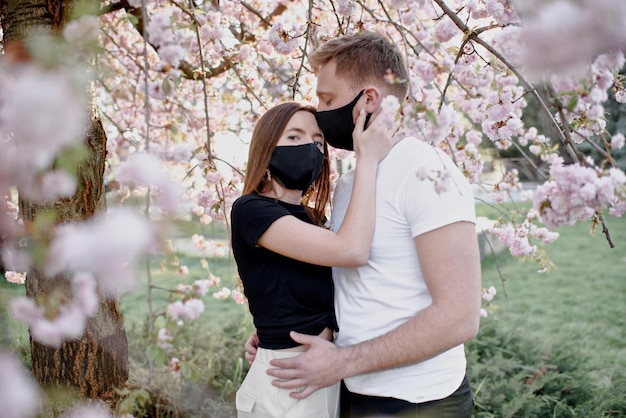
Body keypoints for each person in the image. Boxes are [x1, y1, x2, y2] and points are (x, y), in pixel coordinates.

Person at [245, 32, 482, 417]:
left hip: (420, 402)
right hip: (352, 395)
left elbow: (459, 316)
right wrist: (282, 337)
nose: (319, 110)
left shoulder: (426, 172)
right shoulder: (354, 184)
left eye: (327, 99)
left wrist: (343, 362)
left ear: (367, 100)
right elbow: (358, 290)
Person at [231, 101, 397, 417]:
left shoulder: (314, 219)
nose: (309, 147)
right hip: (287, 378)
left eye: (318, 142)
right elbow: (352, 250)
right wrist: (367, 160)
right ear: (267, 147)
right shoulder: (250, 210)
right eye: (294, 137)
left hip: (323, 372)